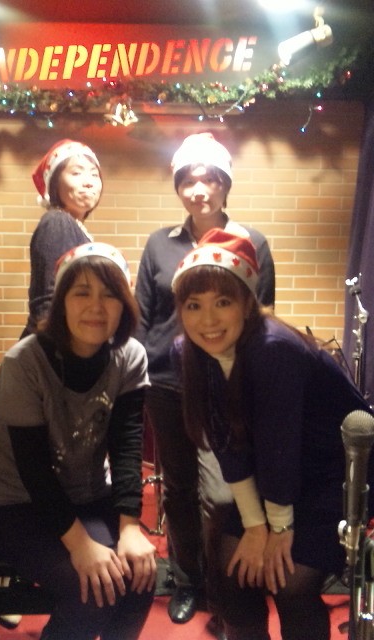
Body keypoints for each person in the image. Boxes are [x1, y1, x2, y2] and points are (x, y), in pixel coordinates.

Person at [171, 228, 374, 640]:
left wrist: (277, 530)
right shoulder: (187, 352)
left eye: (223, 302)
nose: (207, 320)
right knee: (232, 573)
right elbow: (227, 444)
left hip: (332, 474)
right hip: (272, 470)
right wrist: (254, 525)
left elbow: (280, 444)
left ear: (247, 303)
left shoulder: (274, 348)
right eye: (194, 305)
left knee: (289, 583)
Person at [0, 242, 157, 640]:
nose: (96, 306)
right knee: (92, 591)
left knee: (140, 577)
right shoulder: (24, 362)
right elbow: (34, 470)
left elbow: (127, 445)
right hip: (15, 503)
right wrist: (80, 546)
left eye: (110, 294)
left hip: (86, 494)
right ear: (61, 302)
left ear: (124, 304)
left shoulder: (130, 356)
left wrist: (130, 527)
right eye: (82, 292)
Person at [135, 132, 275, 630]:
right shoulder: (159, 243)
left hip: (224, 385)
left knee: (222, 492)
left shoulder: (252, 241)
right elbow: (143, 317)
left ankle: (223, 585)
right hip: (167, 384)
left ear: (225, 184)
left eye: (209, 179)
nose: (199, 190)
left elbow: (262, 315)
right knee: (177, 488)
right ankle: (188, 580)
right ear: (178, 187)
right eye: (188, 180)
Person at [21, 138, 103, 338]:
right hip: (56, 347)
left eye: (94, 174)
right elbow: (46, 303)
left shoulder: (73, 226)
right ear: (54, 183)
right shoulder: (57, 222)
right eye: (76, 173)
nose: (88, 181)